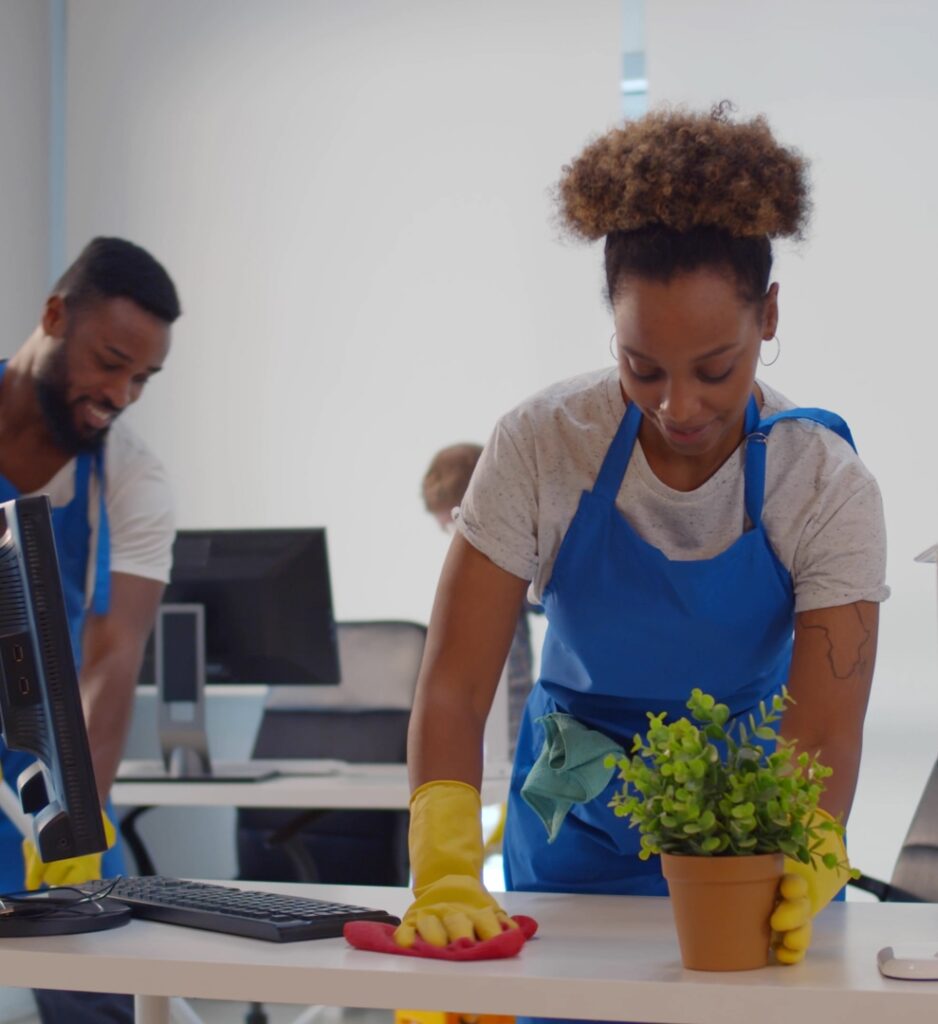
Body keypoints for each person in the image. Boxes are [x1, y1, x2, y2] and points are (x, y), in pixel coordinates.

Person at [382, 105, 888, 987]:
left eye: (715, 369)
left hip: (753, 845)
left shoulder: (825, 485)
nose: (678, 407)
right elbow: (456, 686)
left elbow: (820, 737)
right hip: (574, 844)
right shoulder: (544, 445)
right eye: (642, 367)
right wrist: (448, 862)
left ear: (768, 316)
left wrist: (809, 847)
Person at [0, 236, 180, 1023]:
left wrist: (74, 828)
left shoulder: (132, 481)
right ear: (52, 317)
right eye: (110, 362)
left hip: (42, 775)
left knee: (90, 994)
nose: (123, 394)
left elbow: (111, 666)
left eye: (142, 377)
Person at [421, 442, 537, 760]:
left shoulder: (517, 547)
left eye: (457, 526)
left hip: (510, 719)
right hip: (484, 719)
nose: (456, 541)